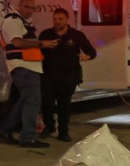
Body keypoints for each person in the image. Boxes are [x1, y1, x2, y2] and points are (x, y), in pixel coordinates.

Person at [0, 0, 57, 148]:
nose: (30, 10)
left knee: (26, 100)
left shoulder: (22, 22)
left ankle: (6, 129)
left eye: (32, 8)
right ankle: (27, 138)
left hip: (27, 66)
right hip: (23, 66)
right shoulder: (14, 21)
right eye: (26, 6)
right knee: (33, 101)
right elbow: (17, 42)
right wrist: (41, 44)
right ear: (19, 6)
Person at [38, 8, 97, 142]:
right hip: (48, 75)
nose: (57, 21)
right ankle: (49, 126)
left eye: (60, 19)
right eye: (55, 19)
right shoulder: (46, 34)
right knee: (47, 103)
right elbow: (38, 50)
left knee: (64, 104)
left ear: (67, 20)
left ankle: (63, 131)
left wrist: (87, 56)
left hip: (68, 75)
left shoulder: (76, 35)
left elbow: (92, 52)